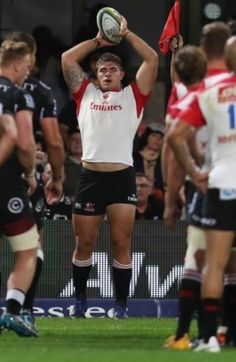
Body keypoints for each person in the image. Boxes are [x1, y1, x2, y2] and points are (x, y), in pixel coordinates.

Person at [61, 14, 158, 318]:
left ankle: (120, 305)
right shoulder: (84, 93)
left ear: (122, 75)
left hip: (122, 179)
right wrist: (97, 42)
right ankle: (79, 300)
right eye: (102, 69)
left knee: (120, 243)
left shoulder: (134, 96)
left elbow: (153, 58)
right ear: (96, 74)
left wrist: (126, 33)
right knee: (84, 243)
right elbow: (66, 59)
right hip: (90, 177)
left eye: (113, 69)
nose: (106, 73)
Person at [164, 22, 231, 351]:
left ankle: (203, 336)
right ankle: (226, 332)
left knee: (209, 262)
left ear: (205, 52)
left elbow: (174, 138)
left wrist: (193, 170)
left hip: (215, 183)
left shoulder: (201, 92)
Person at [4, 31, 65, 324]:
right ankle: (21, 311)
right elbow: (48, 141)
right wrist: (52, 174)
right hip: (14, 178)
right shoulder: (29, 93)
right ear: (25, 59)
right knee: (30, 246)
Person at [0, 39, 38, 337]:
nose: (29, 70)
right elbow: (25, 143)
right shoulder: (17, 95)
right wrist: (29, 171)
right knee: (27, 251)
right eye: (27, 65)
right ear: (16, 64)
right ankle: (13, 311)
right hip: (7, 182)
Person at [133, 123, 165, 201]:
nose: (157, 140)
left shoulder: (164, 161)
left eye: (161, 137)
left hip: (159, 199)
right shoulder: (134, 158)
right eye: (154, 135)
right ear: (146, 137)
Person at [63, 129, 82, 201]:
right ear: (67, 143)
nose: (78, 143)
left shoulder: (93, 166)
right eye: (74, 140)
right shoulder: (61, 166)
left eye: (81, 140)